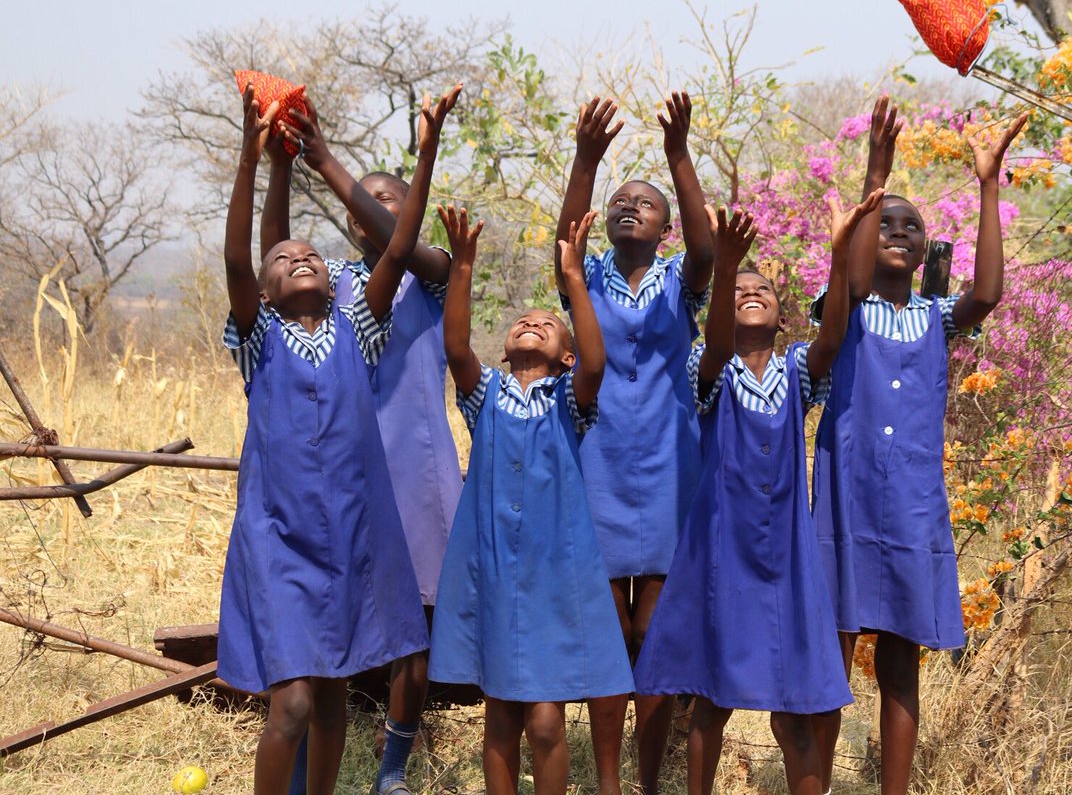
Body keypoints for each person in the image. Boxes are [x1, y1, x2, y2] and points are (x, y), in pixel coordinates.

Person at [218, 82, 448, 794]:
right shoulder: (260, 338)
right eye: (282, 263)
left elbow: (403, 241)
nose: (301, 259)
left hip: (352, 527)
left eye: (309, 255)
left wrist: (429, 150)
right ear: (263, 289)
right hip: (280, 534)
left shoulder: (360, 325)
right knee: (290, 700)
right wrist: (257, 160)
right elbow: (239, 257)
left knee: (333, 691)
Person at [810, 97, 1028, 795]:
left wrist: (989, 183)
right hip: (845, 502)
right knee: (833, 660)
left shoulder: (936, 316)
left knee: (901, 666)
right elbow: (846, 279)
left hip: (910, 508)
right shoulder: (840, 306)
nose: (898, 232)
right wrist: (878, 168)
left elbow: (988, 293)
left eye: (912, 225)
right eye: (886, 222)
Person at [635, 186, 881, 795]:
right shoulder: (706, 367)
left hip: (786, 561)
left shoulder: (797, 369)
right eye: (738, 291)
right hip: (723, 551)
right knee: (712, 701)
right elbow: (717, 346)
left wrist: (838, 249)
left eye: (762, 292)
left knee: (795, 704)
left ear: (782, 314)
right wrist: (723, 270)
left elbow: (833, 338)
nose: (749, 296)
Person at [430, 205, 633, 795]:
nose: (532, 324)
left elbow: (597, 361)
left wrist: (574, 280)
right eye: (522, 322)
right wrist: (462, 265)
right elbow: (456, 345)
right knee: (499, 717)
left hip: (551, 574)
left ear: (565, 356)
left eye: (549, 325)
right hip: (492, 568)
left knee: (545, 720)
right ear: (504, 350)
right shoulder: (484, 393)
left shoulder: (570, 400)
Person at [555, 93, 714, 795]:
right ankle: (609, 783)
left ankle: (651, 780)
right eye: (620, 202)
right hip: (595, 463)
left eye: (644, 204)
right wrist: (586, 160)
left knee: (651, 633)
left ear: (665, 226)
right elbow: (567, 240)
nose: (629, 208)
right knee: (607, 636)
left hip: (669, 467)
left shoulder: (683, 279)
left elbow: (710, 248)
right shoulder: (585, 279)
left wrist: (678, 154)